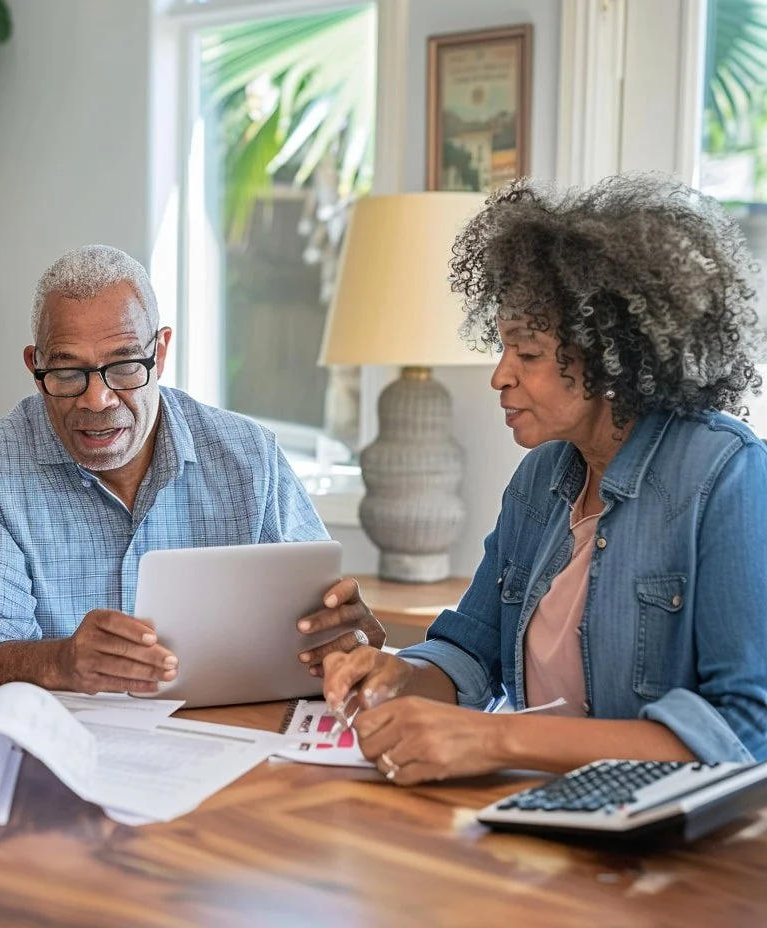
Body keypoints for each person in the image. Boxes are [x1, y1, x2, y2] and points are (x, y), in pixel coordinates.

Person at [322, 174, 767, 785]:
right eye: (504, 349)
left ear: (612, 355)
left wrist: (500, 737)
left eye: (527, 354)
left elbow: (744, 730)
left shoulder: (723, 472)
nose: (500, 376)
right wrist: (397, 675)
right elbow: (469, 652)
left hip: (660, 845)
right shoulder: (539, 480)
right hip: (537, 814)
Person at [0, 245, 384, 691]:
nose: (96, 400)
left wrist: (347, 636)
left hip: (222, 739)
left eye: (123, 367)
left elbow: (321, 620)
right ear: (34, 365)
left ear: (160, 352)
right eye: (67, 372)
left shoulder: (250, 456)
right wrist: (63, 663)